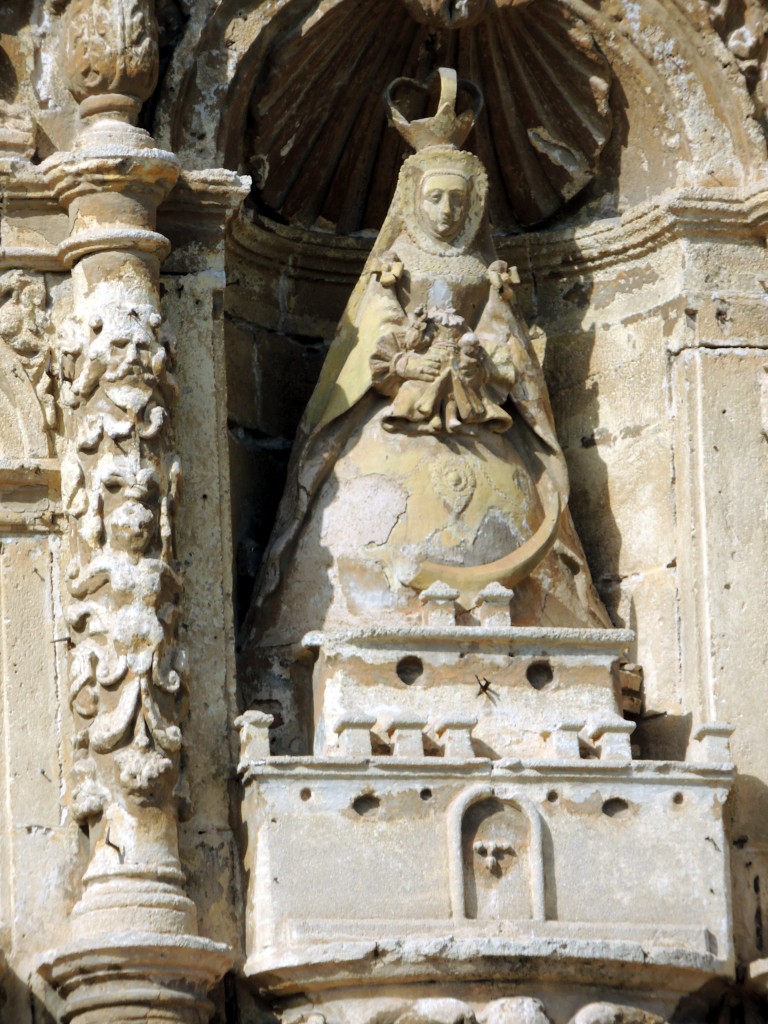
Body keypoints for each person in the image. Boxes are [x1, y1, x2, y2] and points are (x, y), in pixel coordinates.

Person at [249, 69, 609, 647]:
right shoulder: (395, 264)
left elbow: (502, 336)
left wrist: (483, 365)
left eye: (456, 201)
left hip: (475, 407)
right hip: (403, 405)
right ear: (413, 203)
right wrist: (406, 362)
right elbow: (375, 329)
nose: (445, 211)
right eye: (434, 198)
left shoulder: (481, 271)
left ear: (472, 207)